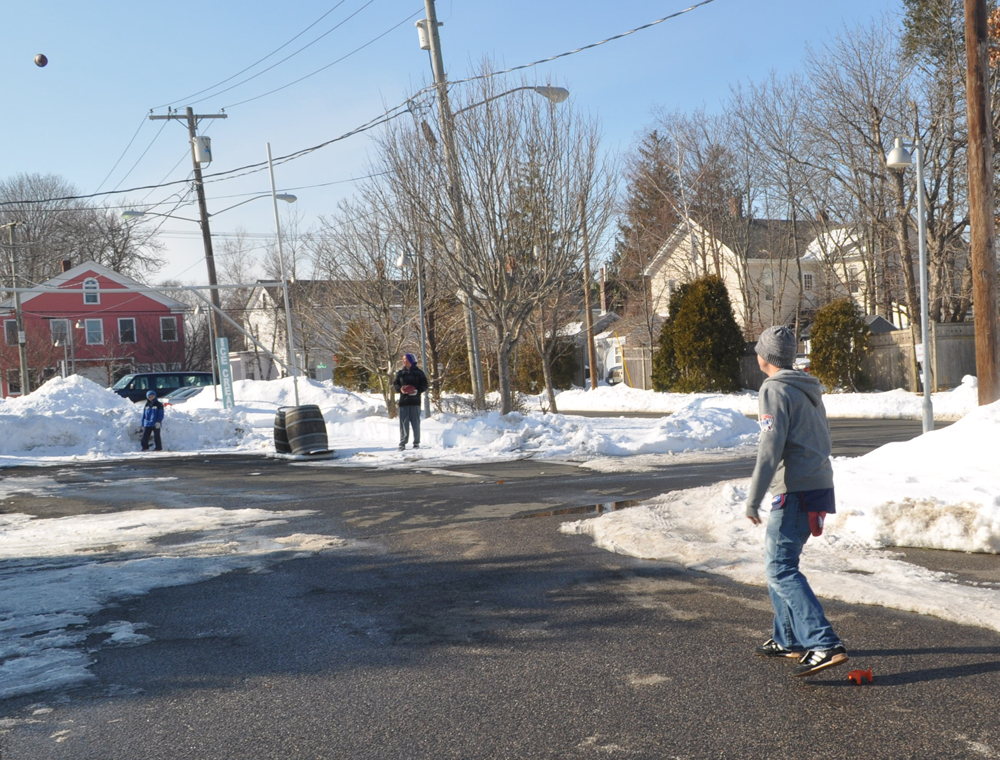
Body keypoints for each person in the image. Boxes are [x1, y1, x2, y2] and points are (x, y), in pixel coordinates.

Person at [746, 325, 848, 677]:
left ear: (765, 357)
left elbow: (769, 448)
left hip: (794, 490)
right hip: (818, 484)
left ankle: (823, 642)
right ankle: (788, 638)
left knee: (780, 568)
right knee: (779, 562)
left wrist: (753, 497)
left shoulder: (773, 390)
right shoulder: (807, 387)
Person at [392, 353, 428, 451]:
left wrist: (417, 391)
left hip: (415, 402)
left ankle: (416, 443)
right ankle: (402, 443)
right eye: (403, 359)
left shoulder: (419, 373)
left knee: (416, 423)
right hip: (403, 402)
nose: (404, 361)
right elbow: (395, 385)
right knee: (404, 424)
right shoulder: (399, 373)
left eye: (406, 359)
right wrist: (400, 389)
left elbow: (425, 385)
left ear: (412, 361)